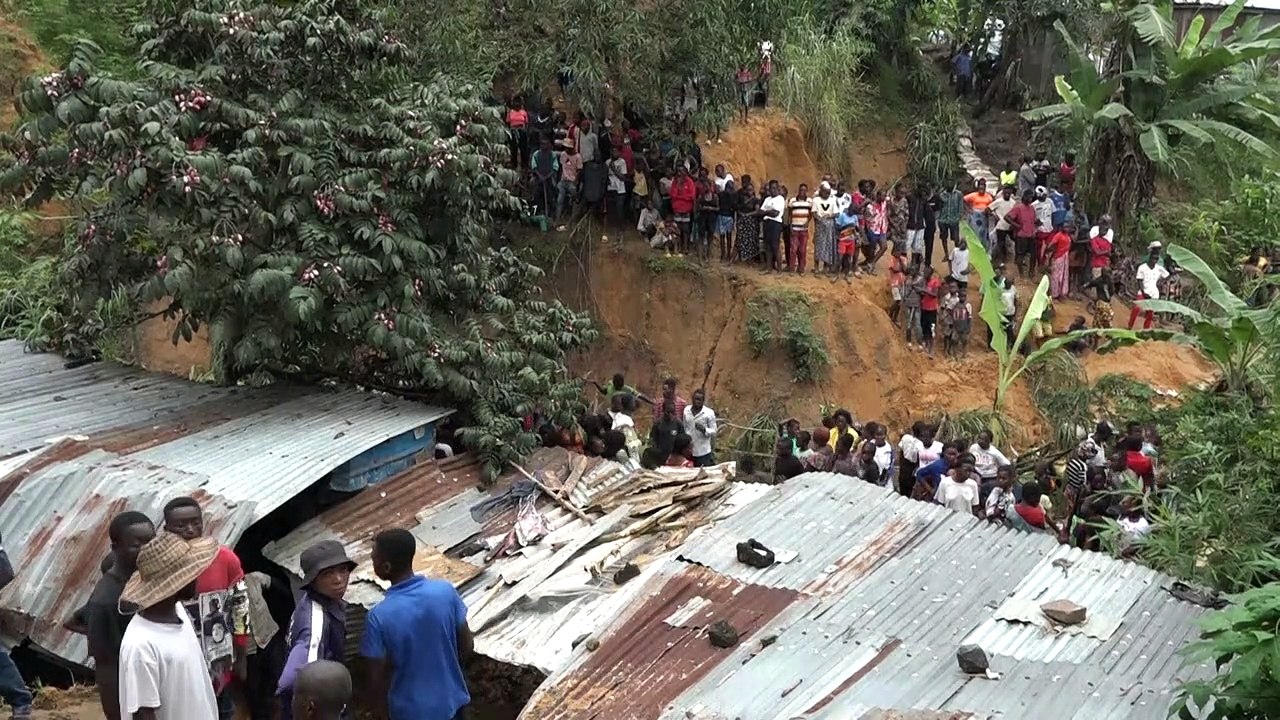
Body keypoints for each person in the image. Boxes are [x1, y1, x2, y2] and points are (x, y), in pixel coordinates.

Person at [361, 529, 471, 720]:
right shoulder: (445, 592)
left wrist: (380, 710)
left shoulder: (378, 616)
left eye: (374, 559)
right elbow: (467, 646)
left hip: (410, 712)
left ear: (386, 567)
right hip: (453, 702)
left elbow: (376, 677)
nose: (373, 562)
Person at [117, 532, 221, 720]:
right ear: (176, 584)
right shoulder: (141, 646)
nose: (197, 577)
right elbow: (143, 714)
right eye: (191, 573)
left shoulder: (179, 611)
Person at [163, 497, 246, 720]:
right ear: (166, 529)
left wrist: (241, 648)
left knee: (222, 709)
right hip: (177, 664)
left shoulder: (225, 558)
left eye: (195, 523)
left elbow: (240, 603)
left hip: (217, 658)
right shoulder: (160, 564)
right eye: (181, 526)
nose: (190, 530)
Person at [84, 512, 156, 720]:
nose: (147, 549)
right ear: (115, 549)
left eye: (151, 542)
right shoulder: (107, 601)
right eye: (136, 545)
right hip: (137, 703)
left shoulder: (150, 582)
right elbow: (106, 669)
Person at [278, 541, 357, 719]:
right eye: (328, 574)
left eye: (343, 570)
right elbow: (289, 681)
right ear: (313, 580)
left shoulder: (315, 602)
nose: (338, 579)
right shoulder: (315, 623)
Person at [1130, 248, 1169, 330]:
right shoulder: (1142, 267)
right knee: (1136, 308)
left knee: (1150, 313)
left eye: (1156, 259)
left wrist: (1160, 282)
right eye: (1153, 258)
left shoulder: (1159, 268)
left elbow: (1167, 275)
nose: (1154, 260)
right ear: (1150, 257)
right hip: (1143, 291)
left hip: (1154, 293)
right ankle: (1130, 325)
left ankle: (1146, 329)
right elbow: (1139, 281)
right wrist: (1144, 292)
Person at [1003, 189, 1038, 273]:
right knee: (1020, 256)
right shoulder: (1018, 208)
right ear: (1025, 197)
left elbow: (1033, 219)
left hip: (1031, 235)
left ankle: (1031, 272)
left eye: (1031, 198)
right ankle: (1021, 274)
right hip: (1021, 235)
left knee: (1034, 255)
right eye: (1029, 198)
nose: (1030, 199)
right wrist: (1016, 225)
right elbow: (1007, 217)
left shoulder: (1032, 208)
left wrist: (1037, 222)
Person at [969, 430, 1011, 499]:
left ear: (989, 441)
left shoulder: (994, 452)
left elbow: (1006, 464)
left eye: (983, 439)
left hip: (989, 477)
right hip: (975, 474)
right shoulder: (973, 447)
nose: (980, 441)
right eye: (979, 438)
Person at [683, 389, 718, 467]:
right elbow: (685, 427)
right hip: (689, 451)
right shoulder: (686, 410)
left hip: (703, 452)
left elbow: (714, 431)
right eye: (696, 399)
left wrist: (704, 430)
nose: (697, 402)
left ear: (703, 401)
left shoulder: (709, 413)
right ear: (692, 399)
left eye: (700, 400)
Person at [529, 135, 560, 219]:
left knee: (551, 196)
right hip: (538, 178)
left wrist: (546, 177)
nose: (544, 146)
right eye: (542, 144)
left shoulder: (552, 155)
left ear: (549, 145)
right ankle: (535, 213)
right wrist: (540, 176)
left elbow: (555, 168)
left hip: (549, 178)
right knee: (536, 196)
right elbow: (534, 167)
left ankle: (552, 215)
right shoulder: (536, 154)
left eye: (546, 144)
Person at [669, 166, 697, 253]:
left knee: (686, 229)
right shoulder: (675, 182)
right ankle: (679, 247)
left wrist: (680, 197)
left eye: (682, 171)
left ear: (686, 172)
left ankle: (685, 247)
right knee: (677, 229)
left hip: (686, 210)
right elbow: (672, 195)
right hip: (677, 209)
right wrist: (678, 187)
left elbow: (691, 196)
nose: (680, 173)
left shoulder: (689, 182)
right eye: (678, 171)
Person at [812, 182, 839, 273]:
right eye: (825, 192)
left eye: (828, 192)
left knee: (828, 246)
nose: (826, 194)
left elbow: (836, 213)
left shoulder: (832, 200)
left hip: (829, 225)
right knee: (818, 246)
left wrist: (828, 217)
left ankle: (825, 267)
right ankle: (816, 267)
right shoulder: (816, 200)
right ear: (821, 191)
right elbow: (814, 212)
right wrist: (820, 219)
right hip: (820, 225)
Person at [760, 182, 787, 272]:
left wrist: (766, 212)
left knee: (775, 246)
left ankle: (779, 269)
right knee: (767, 246)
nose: (773, 190)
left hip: (775, 223)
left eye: (775, 188)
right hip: (766, 222)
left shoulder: (780, 199)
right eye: (771, 188)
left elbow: (776, 213)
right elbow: (760, 211)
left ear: (778, 188)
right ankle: (769, 268)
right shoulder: (767, 199)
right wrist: (768, 212)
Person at [935, 181, 963, 265]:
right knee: (944, 238)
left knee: (956, 239)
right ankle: (946, 254)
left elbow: (960, 207)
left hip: (954, 220)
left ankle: (957, 255)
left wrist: (958, 217)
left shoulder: (958, 194)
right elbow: (938, 205)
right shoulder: (942, 194)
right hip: (943, 219)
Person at [787, 183, 813, 273]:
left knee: (802, 250)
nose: (802, 192)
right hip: (794, 228)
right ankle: (791, 269)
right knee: (793, 249)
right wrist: (791, 224)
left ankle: (801, 268)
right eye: (801, 190)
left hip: (804, 229)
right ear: (798, 190)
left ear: (806, 191)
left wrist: (807, 222)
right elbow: (790, 213)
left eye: (804, 190)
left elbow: (811, 214)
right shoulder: (792, 201)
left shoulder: (809, 201)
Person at [735, 177, 762, 264]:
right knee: (739, 240)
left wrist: (747, 215)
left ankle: (749, 260)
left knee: (751, 241)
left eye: (751, 189)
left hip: (751, 222)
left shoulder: (756, 200)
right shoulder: (742, 199)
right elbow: (738, 207)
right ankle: (736, 258)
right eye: (748, 190)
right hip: (743, 221)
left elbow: (757, 211)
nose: (749, 191)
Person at [1045, 221, 1074, 300]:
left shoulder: (1068, 236)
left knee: (1064, 275)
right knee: (1056, 275)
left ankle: (1061, 293)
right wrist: (1053, 252)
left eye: (1068, 227)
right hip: (1058, 256)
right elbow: (1050, 245)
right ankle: (1055, 293)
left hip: (1065, 257)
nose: (1067, 229)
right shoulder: (1058, 235)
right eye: (1065, 227)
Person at [988, 186, 1017, 262]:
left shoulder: (1013, 202)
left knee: (1015, 241)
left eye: (1009, 192)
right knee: (1001, 243)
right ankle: (1001, 260)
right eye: (1005, 192)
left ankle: (1014, 258)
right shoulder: (998, 201)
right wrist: (995, 215)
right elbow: (988, 209)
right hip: (1001, 226)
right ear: (1003, 192)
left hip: (1010, 226)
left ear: (1011, 193)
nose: (1007, 194)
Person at [1031, 187, 1056, 274]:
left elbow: (1053, 214)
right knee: (1039, 249)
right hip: (1040, 230)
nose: (1044, 197)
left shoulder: (1050, 201)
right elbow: (1032, 218)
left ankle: (1047, 264)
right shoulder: (1034, 205)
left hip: (1049, 228)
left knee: (1050, 248)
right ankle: (1040, 265)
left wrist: (1054, 225)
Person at [863, 189, 888, 273]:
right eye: (882, 195)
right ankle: (869, 264)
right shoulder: (870, 207)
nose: (884, 197)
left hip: (882, 229)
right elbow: (866, 218)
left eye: (885, 196)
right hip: (873, 229)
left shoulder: (884, 203)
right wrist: (868, 229)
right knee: (872, 248)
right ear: (877, 196)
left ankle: (872, 263)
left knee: (884, 247)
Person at [556, 141, 582, 223]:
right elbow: (561, 167)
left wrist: (575, 181)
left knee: (574, 196)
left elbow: (579, 170)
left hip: (572, 181)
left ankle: (572, 218)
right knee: (559, 199)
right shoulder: (563, 154)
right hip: (563, 180)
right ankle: (557, 218)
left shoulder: (578, 157)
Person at [963, 179, 994, 247]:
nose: (981, 187)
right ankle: (972, 246)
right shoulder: (973, 195)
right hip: (974, 217)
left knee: (984, 233)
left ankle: (983, 248)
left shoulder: (989, 197)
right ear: (978, 186)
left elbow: (992, 207)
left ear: (985, 187)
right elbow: (963, 200)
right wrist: (968, 209)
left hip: (984, 217)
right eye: (980, 185)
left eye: (983, 185)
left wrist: (990, 213)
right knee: (974, 232)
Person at [920, 265, 941, 357]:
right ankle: (926, 348)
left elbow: (935, 294)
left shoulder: (935, 281)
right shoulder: (923, 281)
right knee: (924, 329)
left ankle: (931, 350)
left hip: (932, 309)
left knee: (932, 330)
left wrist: (925, 291)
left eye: (926, 272)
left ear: (930, 273)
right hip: (923, 308)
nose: (924, 274)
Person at [715, 179, 738, 262]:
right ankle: (723, 254)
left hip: (729, 217)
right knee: (722, 237)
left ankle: (728, 254)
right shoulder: (721, 195)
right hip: (722, 216)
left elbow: (735, 207)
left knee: (728, 237)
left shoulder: (733, 195)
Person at [902, 263, 923, 349]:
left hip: (916, 304)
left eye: (913, 270)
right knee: (908, 323)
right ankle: (909, 341)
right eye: (911, 270)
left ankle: (920, 343)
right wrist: (904, 298)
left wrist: (916, 288)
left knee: (917, 324)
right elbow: (904, 290)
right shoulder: (908, 279)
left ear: (917, 271)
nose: (911, 271)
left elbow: (922, 292)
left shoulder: (920, 280)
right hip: (908, 303)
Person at [948, 290, 972, 358]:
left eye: (964, 297)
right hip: (956, 326)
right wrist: (951, 323)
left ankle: (964, 354)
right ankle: (955, 355)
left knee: (964, 341)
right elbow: (951, 312)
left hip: (964, 326)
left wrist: (968, 327)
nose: (962, 298)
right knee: (954, 340)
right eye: (961, 297)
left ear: (966, 297)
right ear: (958, 297)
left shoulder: (968, 305)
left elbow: (969, 317)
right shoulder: (955, 305)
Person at [506, 99, 529, 170]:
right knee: (514, 148)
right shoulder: (510, 112)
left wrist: (525, 130)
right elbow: (508, 122)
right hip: (513, 130)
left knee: (523, 148)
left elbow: (526, 122)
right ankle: (514, 163)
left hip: (521, 130)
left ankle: (524, 164)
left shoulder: (523, 112)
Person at [888, 183, 910, 256]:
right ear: (896, 191)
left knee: (902, 244)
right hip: (893, 226)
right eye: (900, 192)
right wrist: (893, 224)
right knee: (896, 242)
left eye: (904, 193)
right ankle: (896, 259)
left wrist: (905, 225)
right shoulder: (891, 201)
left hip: (902, 226)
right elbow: (888, 215)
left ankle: (900, 262)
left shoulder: (904, 201)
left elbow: (907, 215)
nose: (902, 195)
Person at [888, 247, 907, 326]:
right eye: (897, 251)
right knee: (898, 300)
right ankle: (890, 313)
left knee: (900, 303)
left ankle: (894, 317)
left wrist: (900, 261)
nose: (898, 253)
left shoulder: (903, 259)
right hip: (894, 283)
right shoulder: (891, 260)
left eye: (899, 251)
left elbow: (905, 270)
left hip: (901, 283)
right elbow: (893, 270)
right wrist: (901, 269)